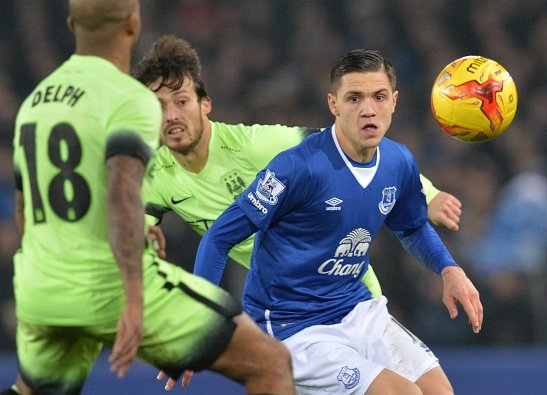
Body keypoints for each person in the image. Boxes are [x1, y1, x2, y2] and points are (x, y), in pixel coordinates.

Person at [4, 1, 294, 394]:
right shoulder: (126, 96)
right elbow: (124, 192)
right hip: (107, 282)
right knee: (270, 363)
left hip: (43, 282)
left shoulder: (36, 103)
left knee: (32, 390)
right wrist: (135, 301)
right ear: (132, 22)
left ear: (72, 24)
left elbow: (24, 210)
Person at [193, 49, 483, 394]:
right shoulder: (296, 168)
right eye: (354, 98)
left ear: (394, 101)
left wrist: (449, 269)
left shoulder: (398, 162)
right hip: (292, 327)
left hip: (356, 308)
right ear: (334, 104)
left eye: (378, 97)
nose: (367, 110)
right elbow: (219, 238)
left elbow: (412, 226)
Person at [133, 35, 462, 300]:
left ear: (205, 105)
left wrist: (427, 193)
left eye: (181, 101)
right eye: (159, 107)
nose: (172, 116)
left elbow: (345, 142)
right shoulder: (154, 178)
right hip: (289, 309)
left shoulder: (254, 145)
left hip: (352, 292)